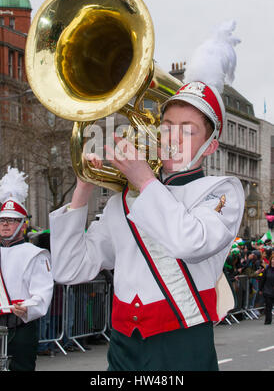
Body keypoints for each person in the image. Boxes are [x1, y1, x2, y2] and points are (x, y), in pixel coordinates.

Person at [49, 20, 245, 371]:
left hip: (183, 347)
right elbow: (69, 269)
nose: (172, 137)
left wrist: (142, 177)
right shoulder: (126, 199)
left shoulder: (222, 192)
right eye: (167, 126)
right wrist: (84, 185)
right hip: (122, 348)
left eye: (189, 131)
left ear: (210, 145)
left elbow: (189, 241)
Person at [0, 167, 54, 371]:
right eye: (3, 220)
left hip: (19, 325)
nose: (5, 225)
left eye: (12, 220)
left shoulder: (35, 254)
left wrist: (29, 307)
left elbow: (42, 291)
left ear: (23, 225)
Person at [259, 254, 274, 324]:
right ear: (270, 260)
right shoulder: (267, 269)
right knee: (268, 306)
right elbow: (263, 279)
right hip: (268, 290)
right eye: (272, 259)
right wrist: (260, 289)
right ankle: (268, 320)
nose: (273, 261)